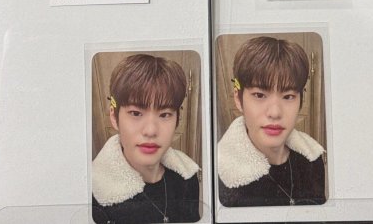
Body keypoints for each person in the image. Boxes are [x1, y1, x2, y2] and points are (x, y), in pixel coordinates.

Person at [217, 36, 326, 207]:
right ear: (238, 99)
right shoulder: (220, 176)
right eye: (259, 95)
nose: (275, 113)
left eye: (288, 96)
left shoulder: (313, 158)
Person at [92, 53, 200, 223]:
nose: (150, 131)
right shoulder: (94, 195)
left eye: (164, 115)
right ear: (114, 116)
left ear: (177, 120)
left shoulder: (188, 176)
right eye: (136, 113)